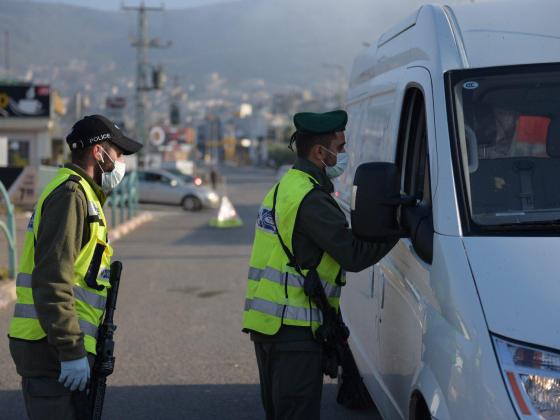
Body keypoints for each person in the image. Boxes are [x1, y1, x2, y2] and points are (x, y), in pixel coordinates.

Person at [242, 110, 398, 420]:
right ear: (319, 152)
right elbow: (352, 255)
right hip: (294, 330)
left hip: (269, 324)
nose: (343, 154)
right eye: (339, 148)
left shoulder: (287, 186)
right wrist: (399, 229)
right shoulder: (311, 199)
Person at [8, 115, 142, 420]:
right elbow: (52, 279)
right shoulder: (71, 195)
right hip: (51, 349)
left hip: (59, 345)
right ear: (99, 152)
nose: (121, 162)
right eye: (119, 153)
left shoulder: (84, 195)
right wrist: (71, 351)